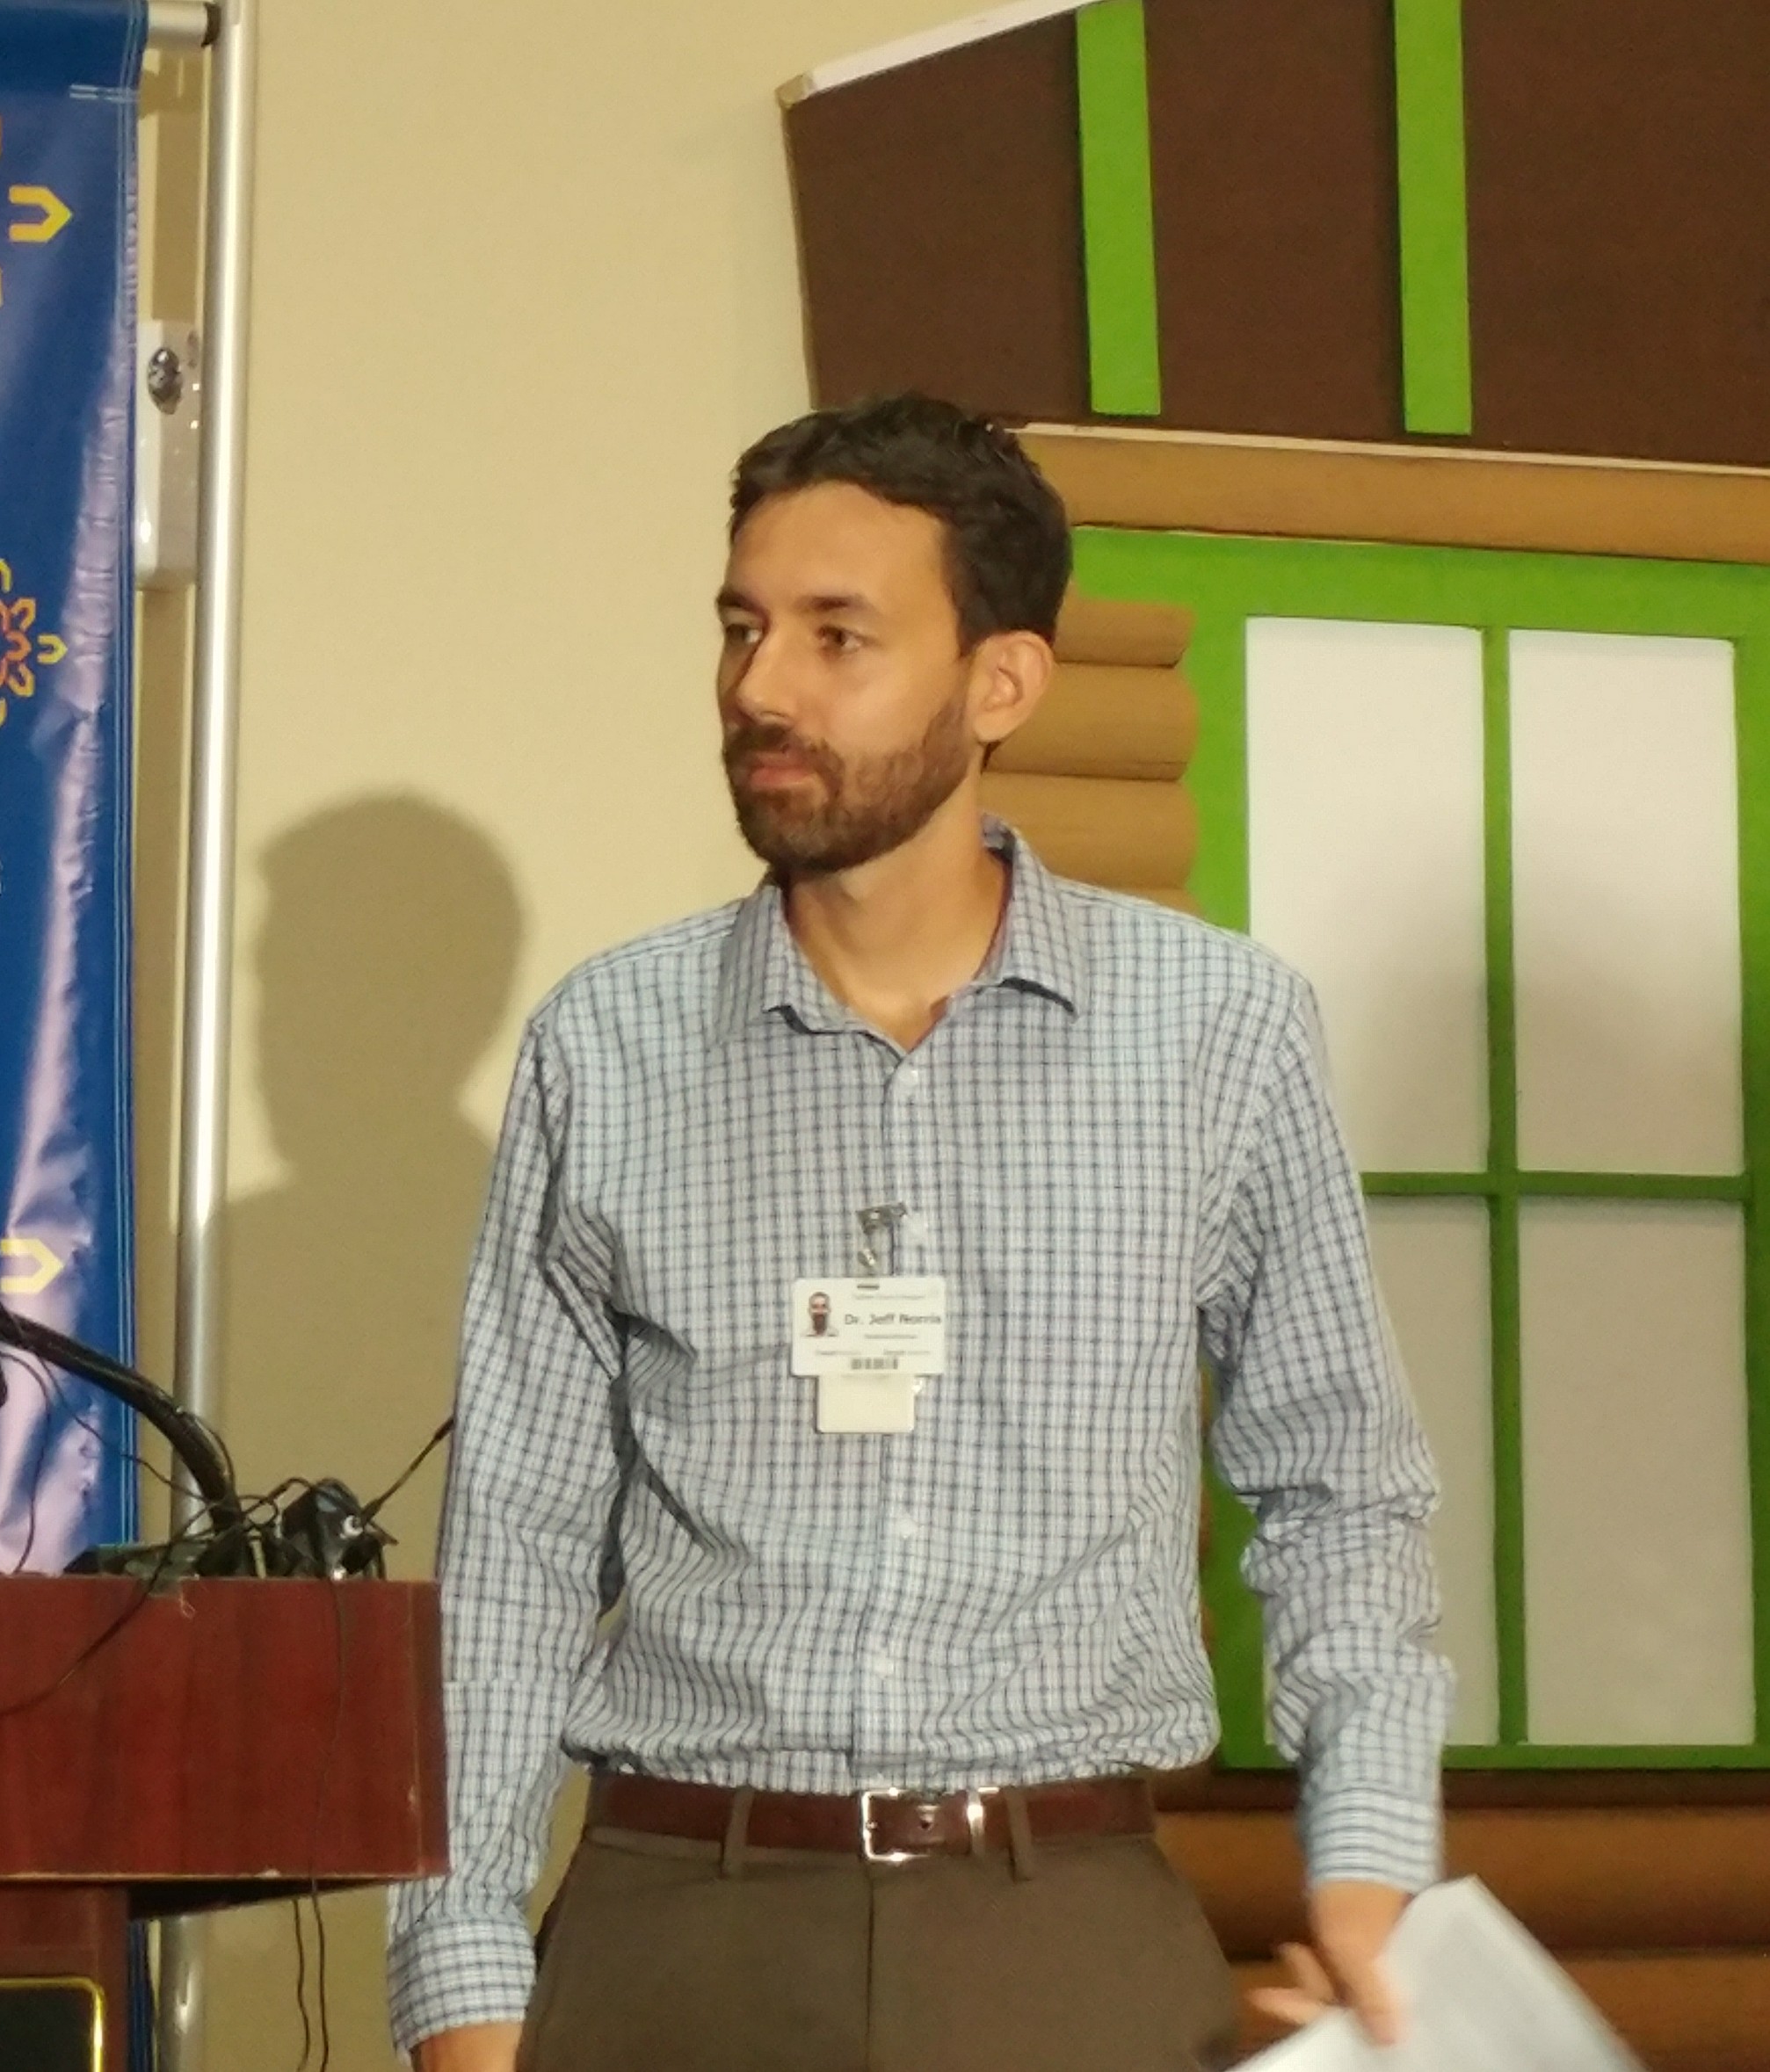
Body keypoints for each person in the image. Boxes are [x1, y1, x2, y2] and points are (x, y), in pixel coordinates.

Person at [385, 396, 1449, 2072]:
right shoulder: (608, 1041)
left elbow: (1339, 1489)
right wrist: (459, 1985)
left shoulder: (1215, 1031)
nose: (760, 687)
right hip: (674, 1920)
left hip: (1061, 1925)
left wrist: (1367, 1869)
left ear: (998, 681)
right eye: (741, 627)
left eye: (837, 636)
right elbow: (513, 1550)